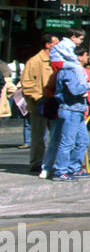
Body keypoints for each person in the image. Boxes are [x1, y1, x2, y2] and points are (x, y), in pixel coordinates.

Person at [50, 45, 90, 182]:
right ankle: (61, 171)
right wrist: (89, 85)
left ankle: (74, 168)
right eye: (85, 55)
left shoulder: (75, 70)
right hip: (70, 110)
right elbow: (74, 90)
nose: (87, 58)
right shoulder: (69, 71)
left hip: (78, 110)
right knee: (67, 142)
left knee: (83, 140)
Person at [20, 34, 57, 175]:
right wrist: (39, 97)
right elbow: (27, 84)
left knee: (57, 135)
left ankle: (54, 162)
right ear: (47, 45)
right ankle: (36, 163)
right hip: (39, 105)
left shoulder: (57, 60)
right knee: (38, 136)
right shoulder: (34, 61)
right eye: (55, 43)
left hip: (55, 104)